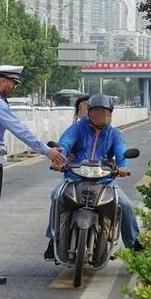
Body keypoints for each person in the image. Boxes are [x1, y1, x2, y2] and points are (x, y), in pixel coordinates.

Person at [0, 65, 67, 284]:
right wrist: (47, 151)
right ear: (3, 81)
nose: (14, 89)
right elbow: (19, 129)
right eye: (13, 84)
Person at [44, 94, 143, 261]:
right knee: (56, 196)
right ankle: (54, 237)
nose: (101, 115)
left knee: (125, 205)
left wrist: (123, 166)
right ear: (89, 112)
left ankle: (134, 245)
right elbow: (65, 143)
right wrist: (59, 160)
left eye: (105, 112)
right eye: (97, 111)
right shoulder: (77, 128)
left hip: (105, 181)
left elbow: (121, 151)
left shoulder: (114, 134)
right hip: (74, 178)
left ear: (111, 114)